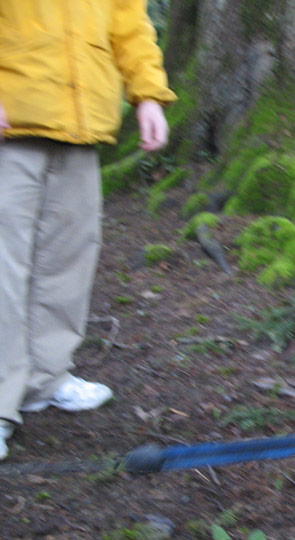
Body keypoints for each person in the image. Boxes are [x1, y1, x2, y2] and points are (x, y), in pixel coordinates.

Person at [0, 2, 176, 459]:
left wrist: (148, 95)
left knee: (68, 258)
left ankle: (45, 378)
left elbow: (129, 24)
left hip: (82, 124)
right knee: (4, 263)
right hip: (11, 122)